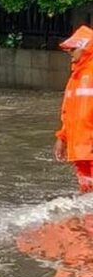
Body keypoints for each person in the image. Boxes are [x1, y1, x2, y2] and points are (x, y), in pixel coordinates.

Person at [55, 25, 93, 193]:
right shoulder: (75, 76)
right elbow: (68, 111)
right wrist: (62, 138)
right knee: (86, 189)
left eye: (73, 48)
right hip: (80, 147)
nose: (70, 52)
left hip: (88, 143)